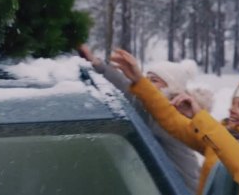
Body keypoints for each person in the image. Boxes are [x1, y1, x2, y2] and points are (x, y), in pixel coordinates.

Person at [110, 48, 239, 195]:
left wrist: (202, 118)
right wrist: (139, 80)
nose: (232, 109)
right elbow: (173, 122)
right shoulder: (219, 142)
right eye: (233, 103)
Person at [77, 45, 212, 193]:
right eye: (147, 79)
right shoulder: (167, 114)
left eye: (153, 80)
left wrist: (100, 67)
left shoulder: (169, 116)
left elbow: (132, 95)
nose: (147, 85)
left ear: (172, 87)